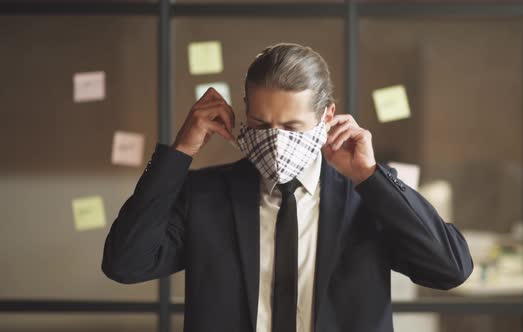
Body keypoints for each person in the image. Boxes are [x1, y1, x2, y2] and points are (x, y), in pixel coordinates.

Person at [101, 43, 473, 332]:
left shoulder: (366, 197)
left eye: (292, 128)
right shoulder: (206, 195)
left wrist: (371, 177)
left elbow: (450, 269)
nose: (275, 141)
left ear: (327, 116)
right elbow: (125, 264)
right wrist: (180, 152)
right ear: (244, 113)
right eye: (261, 125)